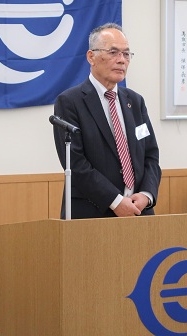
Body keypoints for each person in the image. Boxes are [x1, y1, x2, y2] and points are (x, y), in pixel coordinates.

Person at [53, 23, 161, 219]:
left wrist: (146, 195)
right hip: (92, 214)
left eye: (126, 54)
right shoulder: (70, 102)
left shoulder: (135, 101)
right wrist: (116, 201)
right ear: (91, 57)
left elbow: (151, 155)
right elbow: (76, 163)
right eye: (113, 52)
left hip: (139, 213)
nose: (121, 60)